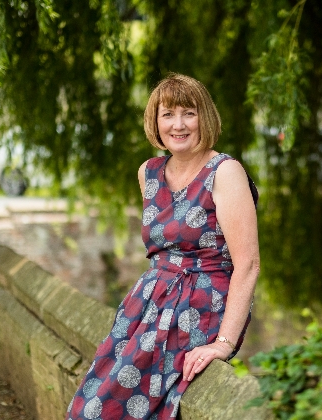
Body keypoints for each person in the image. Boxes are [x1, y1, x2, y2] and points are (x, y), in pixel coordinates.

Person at [66, 73, 260, 420]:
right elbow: (163, 246)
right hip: (148, 303)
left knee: (109, 411)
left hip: (200, 305)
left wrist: (223, 344)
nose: (178, 124)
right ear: (155, 122)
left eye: (189, 112)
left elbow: (248, 265)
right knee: (89, 404)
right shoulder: (149, 172)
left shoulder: (225, 172)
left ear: (206, 117)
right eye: (167, 114)